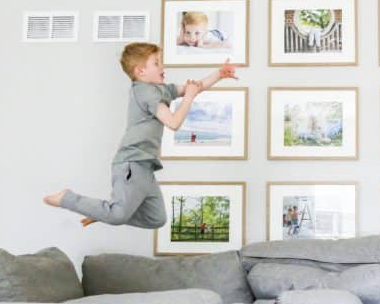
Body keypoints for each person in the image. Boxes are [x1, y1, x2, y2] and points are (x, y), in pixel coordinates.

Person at [43, 42, 238, 227]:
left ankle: (106, 213)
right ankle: (67, 198)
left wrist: (219, 74)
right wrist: (189, 97)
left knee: (156, 218)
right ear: (140, 71)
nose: (163, 66)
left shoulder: (160, 89)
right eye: (156, 63)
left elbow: (194, 87)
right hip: (132, 162)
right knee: (117, 215)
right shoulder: (144, 92)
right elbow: (173, 122)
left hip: (146, 166)